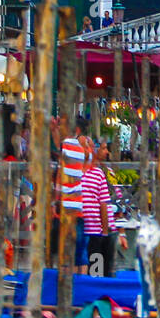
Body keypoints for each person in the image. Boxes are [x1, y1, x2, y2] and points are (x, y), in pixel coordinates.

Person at [81, 141, 125, 277]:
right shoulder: (78, 171)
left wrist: (119, 232)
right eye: (104, 148)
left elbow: (116, 202)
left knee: (100, 271)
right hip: (88, 228)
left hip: (103, 231)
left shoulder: (106, 172)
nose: (107, 153)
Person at [57, 115, 93, 275]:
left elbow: (61, 144)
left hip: (73, 206)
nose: (88, 148)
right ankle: (80, 284)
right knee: (80, 251)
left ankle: (69, 284)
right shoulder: (83, 154)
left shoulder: (73, 145)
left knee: (70, 250)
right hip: (81, 206)